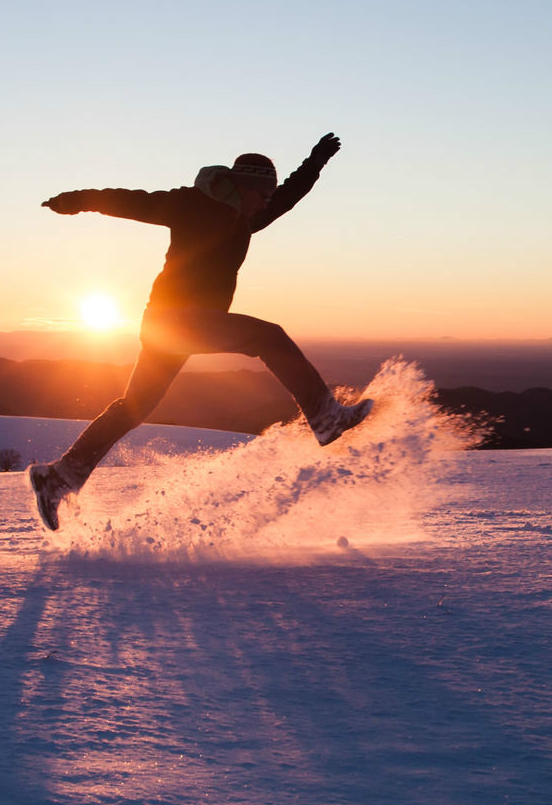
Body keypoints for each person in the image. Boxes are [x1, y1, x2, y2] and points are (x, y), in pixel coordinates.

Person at [26, 133, 373, 530]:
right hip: (177, 319)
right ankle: (327, 418)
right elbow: (129, 200)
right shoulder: (191, 203)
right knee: (269, 337)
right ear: (246, 187)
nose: (267, 203)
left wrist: (315, 161)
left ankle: (59, 477)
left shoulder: (246, 215)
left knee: (135, 407)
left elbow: (288, 197)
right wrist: (76, 200)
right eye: (263, 194)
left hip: (170, 325)